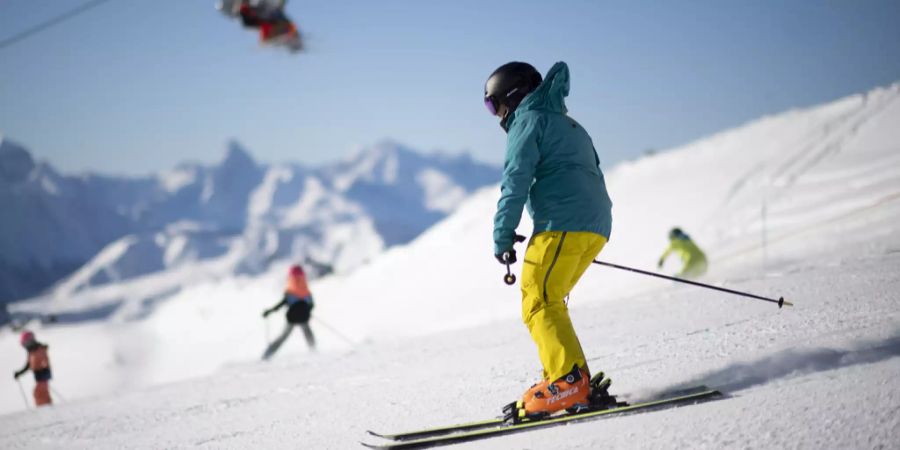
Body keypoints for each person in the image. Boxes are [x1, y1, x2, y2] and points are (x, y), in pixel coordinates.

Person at [487, 61, 614, 417]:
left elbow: (516, 180)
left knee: (538, 299)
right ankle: (570, 379)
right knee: (549, 298)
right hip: (594, 225)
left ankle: (568, 382)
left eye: (492, 105)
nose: (495, 115)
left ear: (511, 97)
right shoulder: (569, 124)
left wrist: (503, 235)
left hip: (563, 222)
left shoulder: (528, 122)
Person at [261, 264, 316, 359]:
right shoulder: (306, 292)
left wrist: (269, 312)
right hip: (304, 317)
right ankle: (314, 350)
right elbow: (311, 305)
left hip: (292, 318)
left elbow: (280, 304)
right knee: (308, 333)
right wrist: (307, 310)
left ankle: (267, 354)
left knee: (282, 337)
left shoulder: (290, 292)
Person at [13, 331, 53, 407]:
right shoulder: (31, 352)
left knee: (38, 392)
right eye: (24, 344)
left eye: (26, 344)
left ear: (31, 342)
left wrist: (43, 369)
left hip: (43, 375)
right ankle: (45, 408)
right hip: (39, 376)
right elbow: (28, 365)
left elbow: (45, 361)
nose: (25, 347)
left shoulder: (39, 349)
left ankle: (45, 409)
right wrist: (19, 373)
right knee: (40, 393)